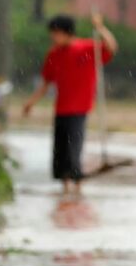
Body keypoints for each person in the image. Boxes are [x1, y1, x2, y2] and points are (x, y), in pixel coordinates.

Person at [22, 12, 118, 196]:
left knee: (74, 146)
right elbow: (46, 82)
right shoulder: (54, 54)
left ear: (66, 32)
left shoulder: (86, 49)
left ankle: (77, 183)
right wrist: (31, 103)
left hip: (79, 108)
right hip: (61, 108)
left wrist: (100, 28)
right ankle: (65, 187)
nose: (53, 37)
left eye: (56, 33)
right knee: (60, 148)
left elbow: (111, 48)